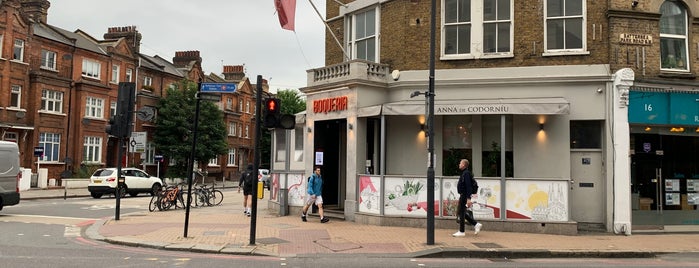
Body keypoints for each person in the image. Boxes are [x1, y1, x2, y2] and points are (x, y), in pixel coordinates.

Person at [453, 159, 482, 237]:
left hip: (465, 195)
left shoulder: (466, 173)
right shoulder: (464, 173)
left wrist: (468, 199)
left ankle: (462, 231)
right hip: (463, 195)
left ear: (463, 165)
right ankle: (476, 224)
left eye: (460, 163)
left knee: (461, 212)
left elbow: (468, 186)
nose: (459, 164)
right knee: (460, 212)